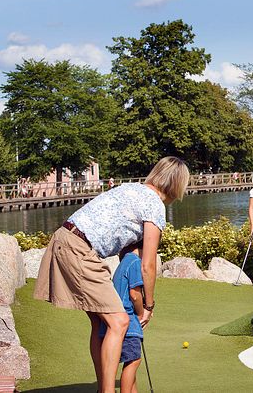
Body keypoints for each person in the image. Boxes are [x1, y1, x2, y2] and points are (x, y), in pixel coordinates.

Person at [33, 156, 189, 393]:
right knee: (119, 321)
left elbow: (124, 246)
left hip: (65, 239)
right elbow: (147, 264)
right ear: (178, 185)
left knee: (100, 322)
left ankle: (102, 387)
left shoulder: (131, 189)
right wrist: (148, 304)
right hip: (79, 249)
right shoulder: (155, 205)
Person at [99, 249, 144, 393]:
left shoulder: (123, 262)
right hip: (128, 322)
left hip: (114, 320)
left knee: (131, 360)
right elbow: (135, 294)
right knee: (133, 361)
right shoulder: (135, 262)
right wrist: (142, 312)